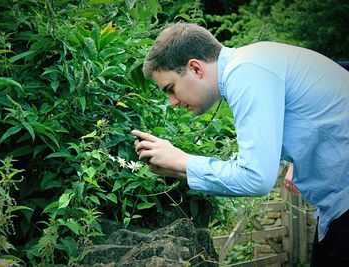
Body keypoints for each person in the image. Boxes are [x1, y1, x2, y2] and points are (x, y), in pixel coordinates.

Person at [132, 23, 349, 266]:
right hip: (334, 207)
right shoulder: (253, 62)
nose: (172, 101)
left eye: (170, 89)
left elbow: (257, 178)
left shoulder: (246, 72)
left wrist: (183, 161)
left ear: (195, 68)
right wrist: (179, 169)